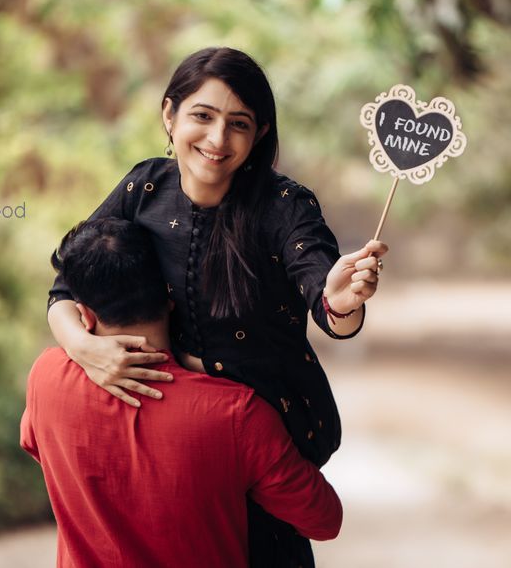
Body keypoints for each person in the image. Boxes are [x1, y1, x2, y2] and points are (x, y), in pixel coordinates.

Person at [46, 47, 387, 566]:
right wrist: (82, 346)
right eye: (202, 117)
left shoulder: (286, 206)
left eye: (239, 124)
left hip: (260, 445)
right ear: (170, 115)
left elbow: (326, 293)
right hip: (178, 448)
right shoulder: (143, 188)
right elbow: (68, 285)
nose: (216, 140)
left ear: (260, 136)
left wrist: (341, 299)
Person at [21, 217, 343, 567]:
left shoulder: (47, 379)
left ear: (83, 315)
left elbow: (36, 444)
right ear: (171, 295)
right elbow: (324, 519)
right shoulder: (236, 414)